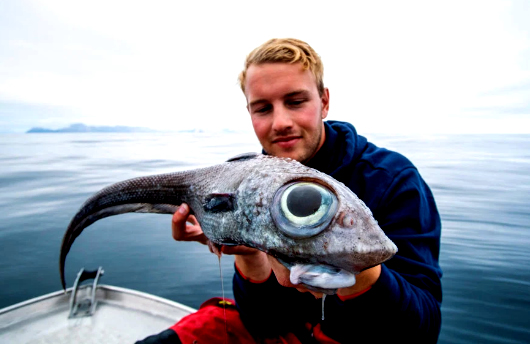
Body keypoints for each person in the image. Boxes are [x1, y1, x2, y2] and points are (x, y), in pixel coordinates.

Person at [137, 38, 442, 344]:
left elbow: (421, 331)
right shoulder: (244, 190)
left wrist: (356, 268)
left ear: (323, 101)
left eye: (296, 102)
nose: (280, 122)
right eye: (262, 109)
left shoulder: (393, 180)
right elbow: (265, 322)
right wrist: (249, 254)